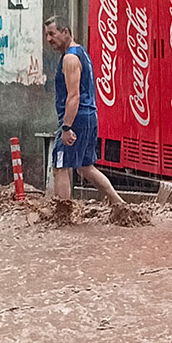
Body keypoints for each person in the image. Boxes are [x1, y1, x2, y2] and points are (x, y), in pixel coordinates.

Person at [42, 15, 125, 205]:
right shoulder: (80, 52)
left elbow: (74, 96)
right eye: (46, 35)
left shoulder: (70, 58)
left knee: (60, 165)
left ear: (65, 32)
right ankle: (118, 203)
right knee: (85, 167)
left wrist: (66, 127)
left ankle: (64, 214)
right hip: (89, 116)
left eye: (52, 34)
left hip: (76, 119)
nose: (49, 39)